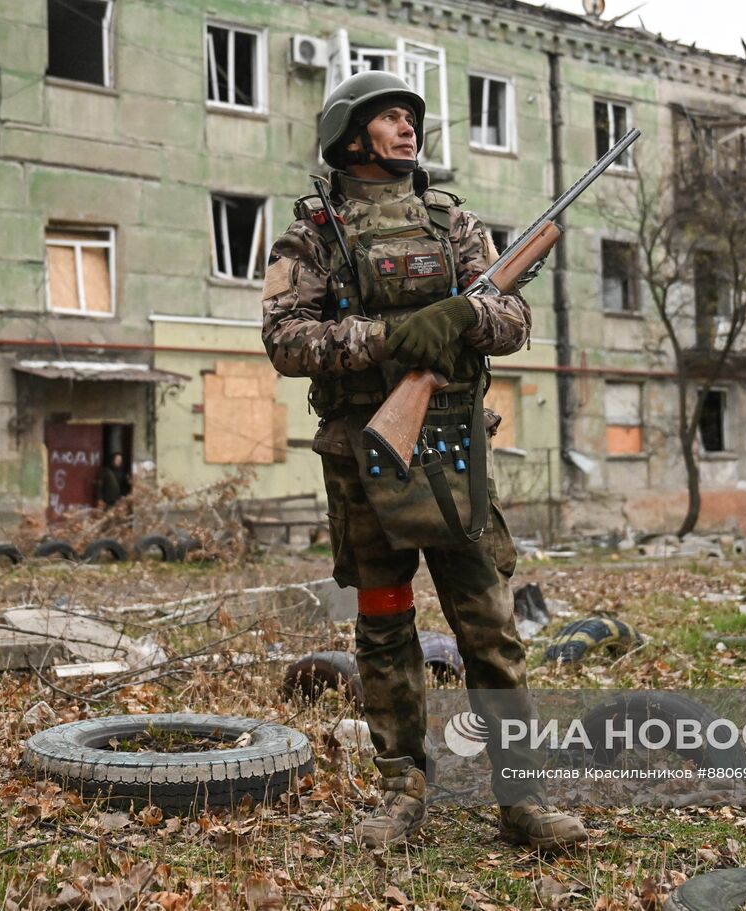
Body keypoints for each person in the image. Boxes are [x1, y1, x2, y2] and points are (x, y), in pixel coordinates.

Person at [261, 71, 585, 851]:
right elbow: (284, 339)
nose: (408, 128)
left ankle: (522, 799)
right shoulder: (314, 234)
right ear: (351, 134)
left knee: (490, 627)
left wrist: (465, 311)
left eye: (411, 117)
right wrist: (387, 339)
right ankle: (402, 792)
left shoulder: (454, 222)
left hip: (451, 453)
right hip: (363, 456)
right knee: (383, 626)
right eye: (391, 118)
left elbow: (513, 320)